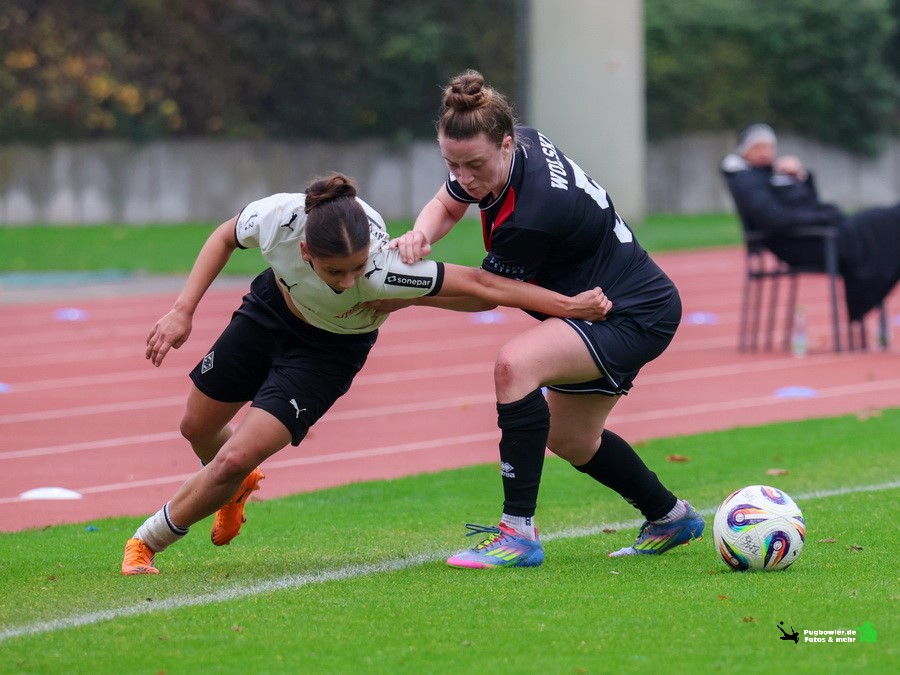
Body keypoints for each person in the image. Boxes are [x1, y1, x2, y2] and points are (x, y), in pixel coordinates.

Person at [121, 172, 614, 575]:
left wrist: (567, 306)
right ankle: (236, 486)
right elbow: (224, 236)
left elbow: (482, 286)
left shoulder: (384, 267)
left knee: (232, 457)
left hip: (329, 352)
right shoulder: (277, 219)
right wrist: (183, 310)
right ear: (306, 253)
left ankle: (146, 542)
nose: (349, 281)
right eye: (336, 272)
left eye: (356, 268)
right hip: (268, 312)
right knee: (196, 426)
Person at [391, 70, 705, 570]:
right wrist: (420, 235)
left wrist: (402, 292)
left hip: (631, 311)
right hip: (619, 303)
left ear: (505, 144)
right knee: (570, 439)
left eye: (474, 165)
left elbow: (485, 294)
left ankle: (517, 533)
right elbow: (448, 204)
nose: (464, 177)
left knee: (515, 365)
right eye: (452, 164)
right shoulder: (519, 142)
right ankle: (670, 517)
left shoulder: (533, 212)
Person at [721, 123, 900, 321]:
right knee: (881, 221)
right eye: (758, 147)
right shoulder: (746, 179)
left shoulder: (773, 174)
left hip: (822, 237)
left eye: (769, 146)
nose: (765, 152)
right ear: (744, 151)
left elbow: (810, 203)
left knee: (883, 224)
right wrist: (826, 217)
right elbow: (774, 220)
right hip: (803, 244)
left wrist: (800, 178)